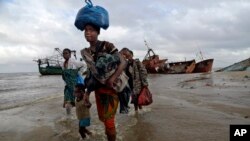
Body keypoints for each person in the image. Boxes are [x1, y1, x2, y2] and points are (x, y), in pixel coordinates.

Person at [81, 23, 126, 141]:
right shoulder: (86, 52)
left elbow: (123, 62)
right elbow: (91, 74)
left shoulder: (107, 45)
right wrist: (87, 93)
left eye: (91, 30)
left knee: (109, 121)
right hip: (98, 90)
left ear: (98, 32)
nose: (87, 32)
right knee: (104, 120)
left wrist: (112, 78)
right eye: (86, 30)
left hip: (111, 89)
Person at [61, 48, 86, 115]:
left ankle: (82, 115)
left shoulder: (73, 61)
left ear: (70, 54)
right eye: (63, 53)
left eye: (66, 53)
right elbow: (64, 75)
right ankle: (69, 118)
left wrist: (79, 73)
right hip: (67, 86)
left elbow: (84, 65)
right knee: (67, 103)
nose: (64, 54)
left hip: (75, 86)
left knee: (79, 101)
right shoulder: (62, 64)